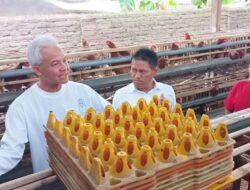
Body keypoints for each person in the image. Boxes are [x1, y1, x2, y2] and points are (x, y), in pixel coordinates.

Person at [0, 35, 109, 175]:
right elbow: (10, 151)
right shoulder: (22, 106)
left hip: (91, 175)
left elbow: (112, 115)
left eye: (65, 61)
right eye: (56, 63)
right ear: (38, 70)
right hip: (53, 177)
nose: (64, 68)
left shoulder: (82, 91)